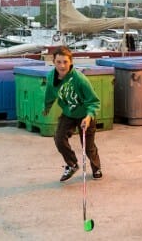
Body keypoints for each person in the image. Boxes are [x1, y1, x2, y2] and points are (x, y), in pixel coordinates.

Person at [43, 46, 102, 182]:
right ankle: (72, 164)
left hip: (85, 115)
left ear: (71, 62)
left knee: (88, 146)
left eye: (65, 62)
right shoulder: (51, 76)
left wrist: (88, 117)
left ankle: (96, 167)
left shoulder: (80, 79)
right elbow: (50, 93)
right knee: (59, 139)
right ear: (53, 61)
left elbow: (93, 101)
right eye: (58, 62)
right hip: (68, 113)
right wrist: (47, 106)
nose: (62, 66)